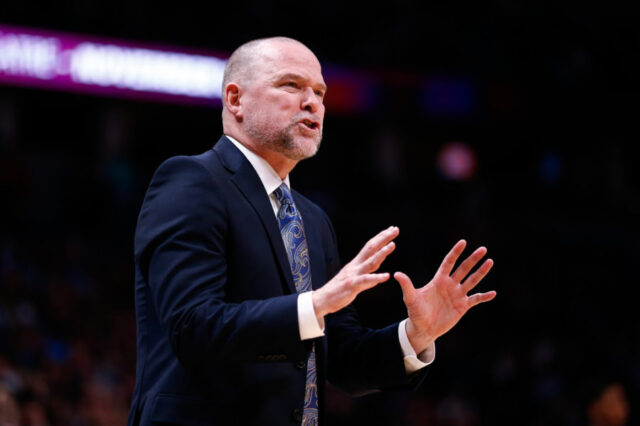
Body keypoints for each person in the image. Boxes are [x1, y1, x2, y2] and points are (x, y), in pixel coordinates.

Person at [127, 36, 496, 426]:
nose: (312, 102)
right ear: (235, 99)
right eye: (291, 85)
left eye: (319, 92)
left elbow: (340, 359)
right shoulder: (191, 181)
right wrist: (315, 305)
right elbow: (192, 327)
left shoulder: (312, 218)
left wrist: (415, 335)